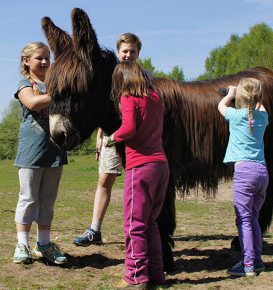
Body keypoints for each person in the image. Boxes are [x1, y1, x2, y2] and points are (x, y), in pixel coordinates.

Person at [73, 32, 147, 247]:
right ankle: (94, 229)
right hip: (110, 137)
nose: (128, 55)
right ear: (118, 52)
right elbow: (102, 109)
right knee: (105, 181)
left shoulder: (145, 76)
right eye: (125, 51)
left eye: (132, 51)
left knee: (140, 185)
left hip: (138, 139)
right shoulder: (109, 76)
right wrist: (100, 134)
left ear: (138, 53)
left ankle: (144, 231)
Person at [105, 61, 169, 288]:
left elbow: (129, 128)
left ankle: (135, 276)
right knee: (150, 222)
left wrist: (110, 138)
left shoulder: (128, 98)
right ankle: (156, 274)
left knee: (133, 224)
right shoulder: (155, 98)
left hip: (140, 167)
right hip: (161, 165)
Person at [11, 42, 68, 265]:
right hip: (31, 150)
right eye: (39, 58)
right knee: (28, 198)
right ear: (26, 61)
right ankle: (22, 245)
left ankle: (43, 245)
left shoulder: (55, 83)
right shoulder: (25, 83)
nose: (44, 62)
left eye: (47, 58)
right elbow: (33, 103)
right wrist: (61, 94)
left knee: (48, 199)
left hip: (55, 149)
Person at [217, 78, 269, 277]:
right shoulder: (263, 117)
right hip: (262, 172)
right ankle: (257, 260)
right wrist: (254, 96)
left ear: (240, 97)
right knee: (253, 218)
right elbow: (260, 106)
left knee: (244, 220)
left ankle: (247, 265)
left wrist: (230, 94)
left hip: (244, 173)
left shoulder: (236, 116)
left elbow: (221, 105)